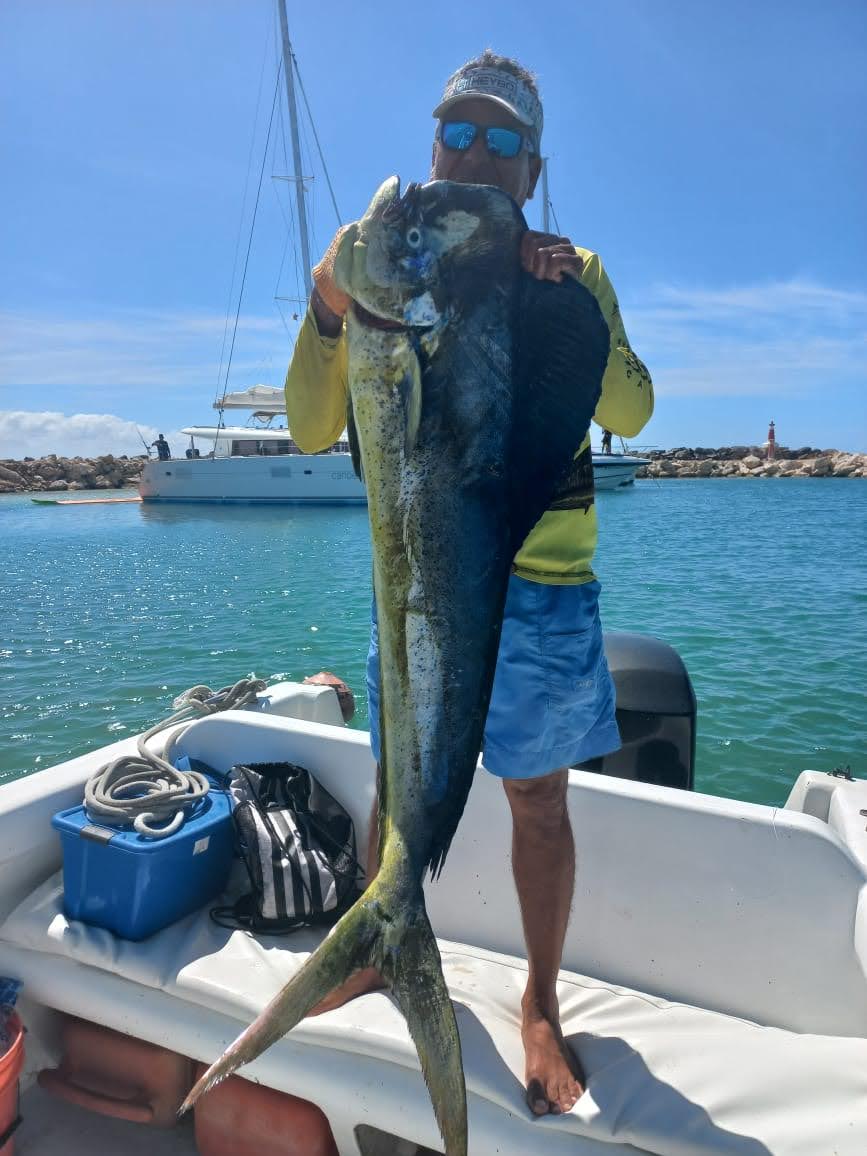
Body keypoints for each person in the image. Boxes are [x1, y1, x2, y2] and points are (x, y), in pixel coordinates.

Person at [284, 51, 653, 1117]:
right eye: (461, 133)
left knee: (538, 801)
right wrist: (326, 304)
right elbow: (314, 427)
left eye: (503, 141)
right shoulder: (380, 267)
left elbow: (631, 411)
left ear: (531, 170)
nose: (477, 155)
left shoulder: (571, 267)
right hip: (414, 585)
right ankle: (374, 939)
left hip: (541, 590)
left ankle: (538, 1002)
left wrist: (570, 287)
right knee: (400, 792)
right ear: (435, 144)